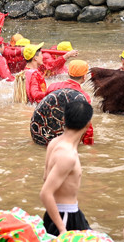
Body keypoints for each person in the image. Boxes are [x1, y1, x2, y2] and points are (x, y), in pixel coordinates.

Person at [39, 101, 94, 236]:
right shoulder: (68, 155)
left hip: (58, 213)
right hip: (65, 217)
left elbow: (46, 178)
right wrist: (63, 230)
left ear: (64, 119)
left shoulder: (54, 142)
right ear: (88, 124)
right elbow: (45, 193)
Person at [45, 60, 94, 145]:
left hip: (49, 133)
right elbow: (87, 126)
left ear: (68, 73)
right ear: (84, 76)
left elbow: (44, 107)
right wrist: (89, 144)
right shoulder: (83, 96)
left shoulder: (53, 87)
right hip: (68, 139)